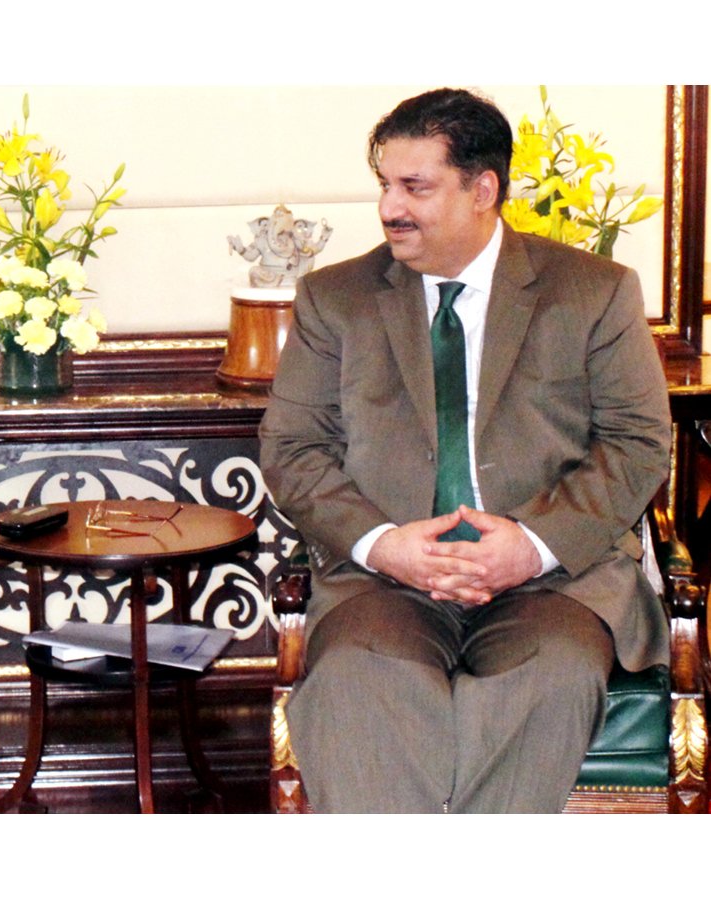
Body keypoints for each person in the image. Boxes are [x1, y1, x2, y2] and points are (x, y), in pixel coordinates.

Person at [259, 88, 672, 813]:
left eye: (414, 187)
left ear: (483, 189)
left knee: (545, 679)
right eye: (385, 184)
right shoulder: (336, 298)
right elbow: (293, 449)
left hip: (553, 584)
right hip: (382, 583)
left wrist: (533, 545)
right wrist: (384, 545)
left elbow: (637, 443)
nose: (390, 207)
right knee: (359, 680)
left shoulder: (592, 292)